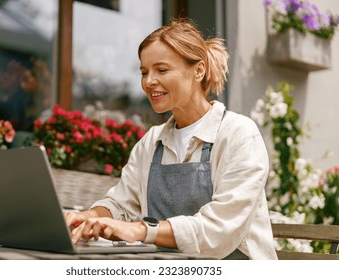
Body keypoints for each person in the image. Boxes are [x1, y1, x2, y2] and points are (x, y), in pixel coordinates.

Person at [65, 18, 278, 260]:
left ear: (198, 70)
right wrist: (92, 216)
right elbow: (122, 204)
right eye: (144, 72)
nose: (148, 81)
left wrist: (142, 230)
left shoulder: (238, 135)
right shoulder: (151, 142)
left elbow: (219, 229)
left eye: (162, 70)